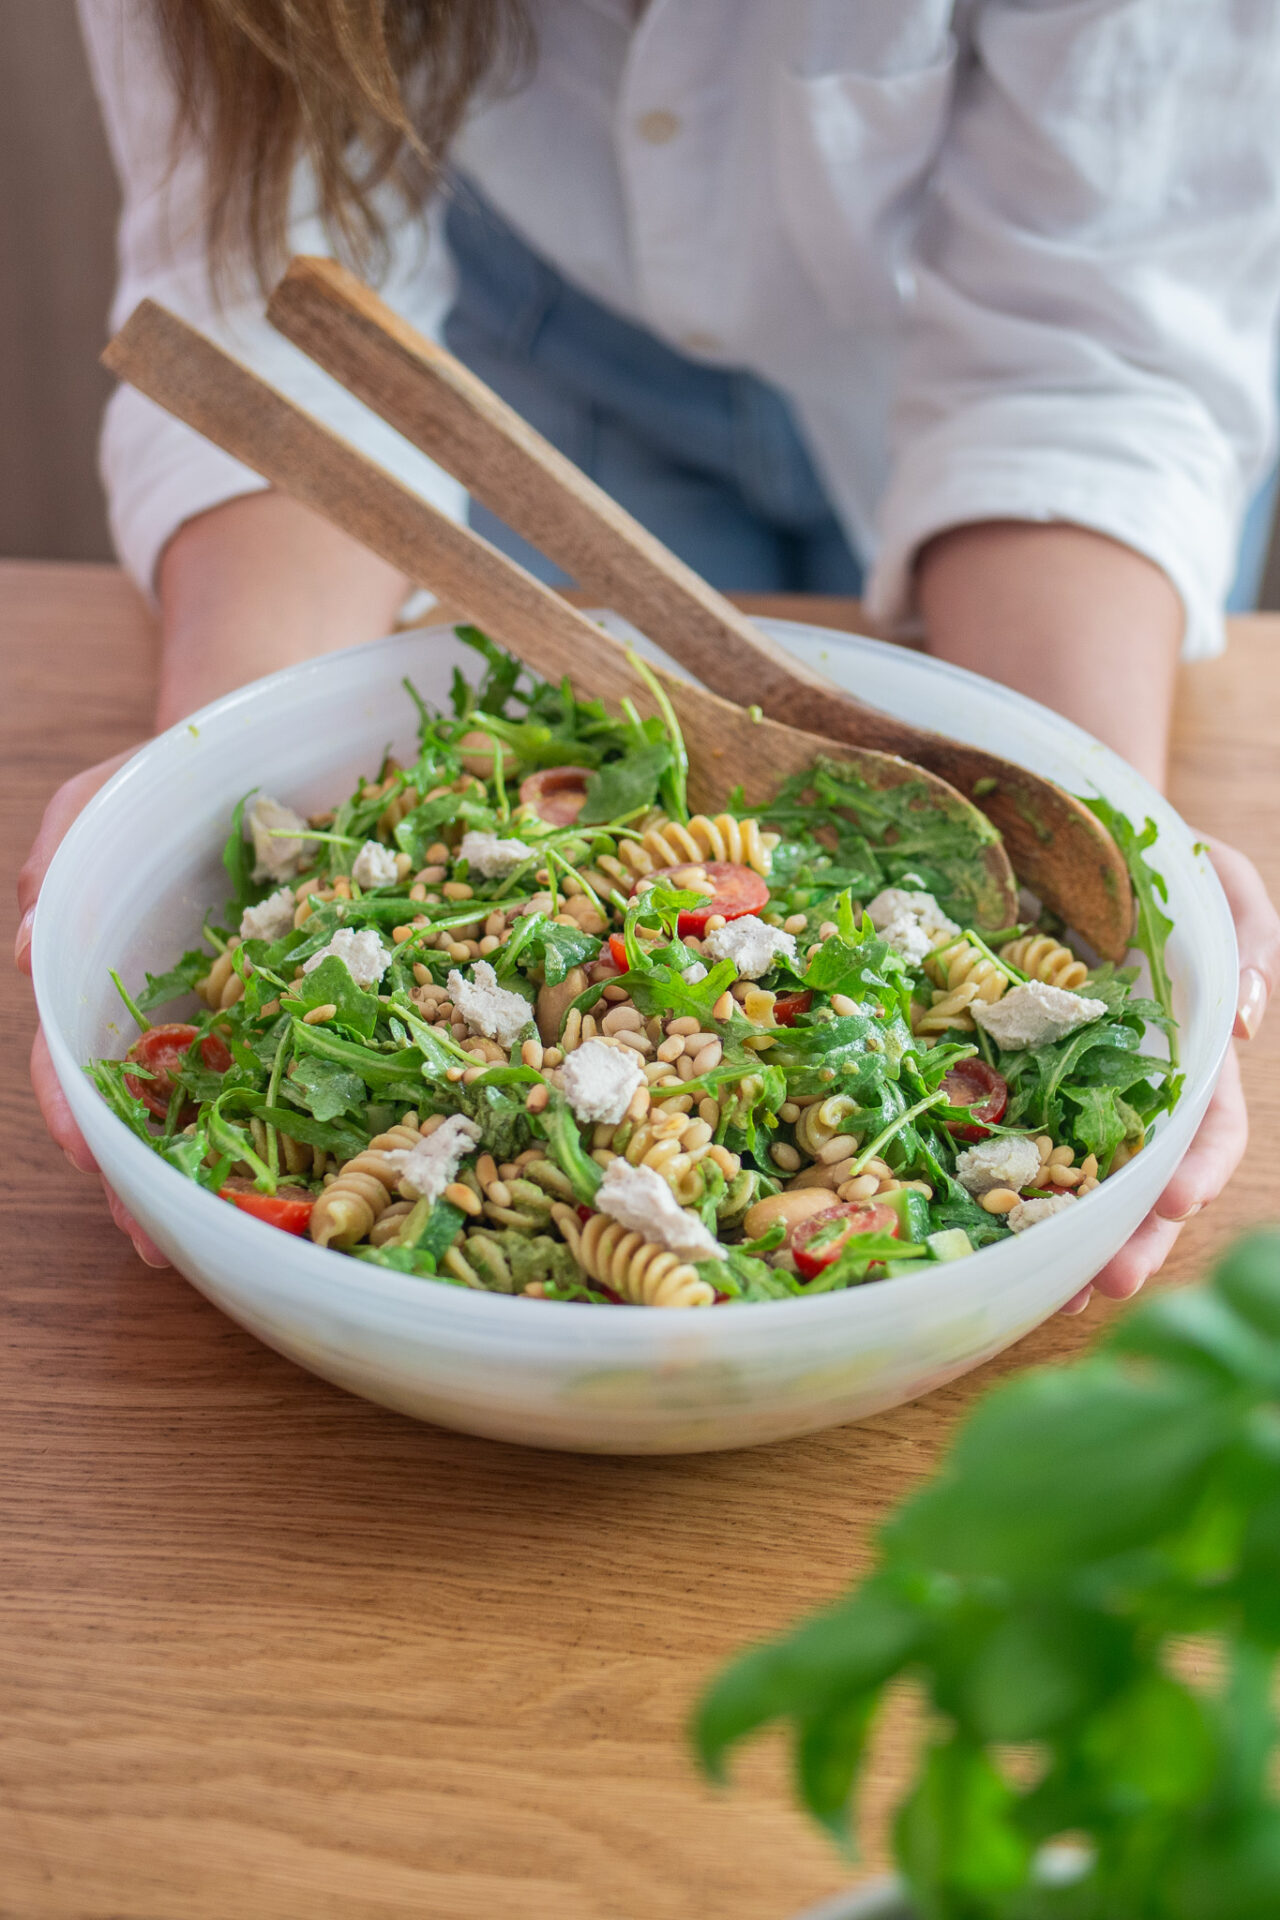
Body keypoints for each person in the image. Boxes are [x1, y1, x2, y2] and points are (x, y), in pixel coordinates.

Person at [16, 0, 1280, 1309]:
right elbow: (263, 274)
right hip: (533, 365)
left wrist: (1066, 815)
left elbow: (1090, 359)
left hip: (1034, 424)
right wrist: (233, 765)